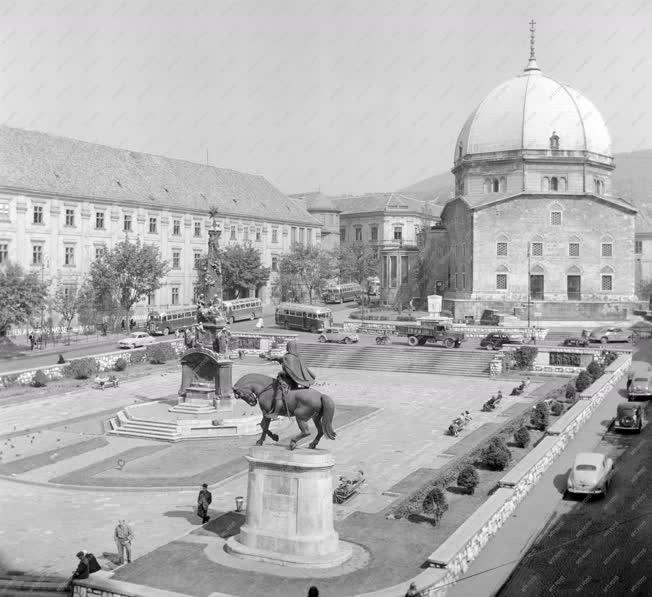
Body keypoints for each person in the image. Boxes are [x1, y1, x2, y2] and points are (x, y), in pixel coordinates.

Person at [267, 341, 316, 421]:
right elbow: (283, 360)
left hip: (288, 380)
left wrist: (281, 372)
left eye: (287, 346)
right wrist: (275, 358)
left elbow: (290, 371)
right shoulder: (297, 356)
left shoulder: (288, 357)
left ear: (288, 347)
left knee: (279, 395)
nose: (286, 347)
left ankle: (275, 414)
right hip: (297, 381)